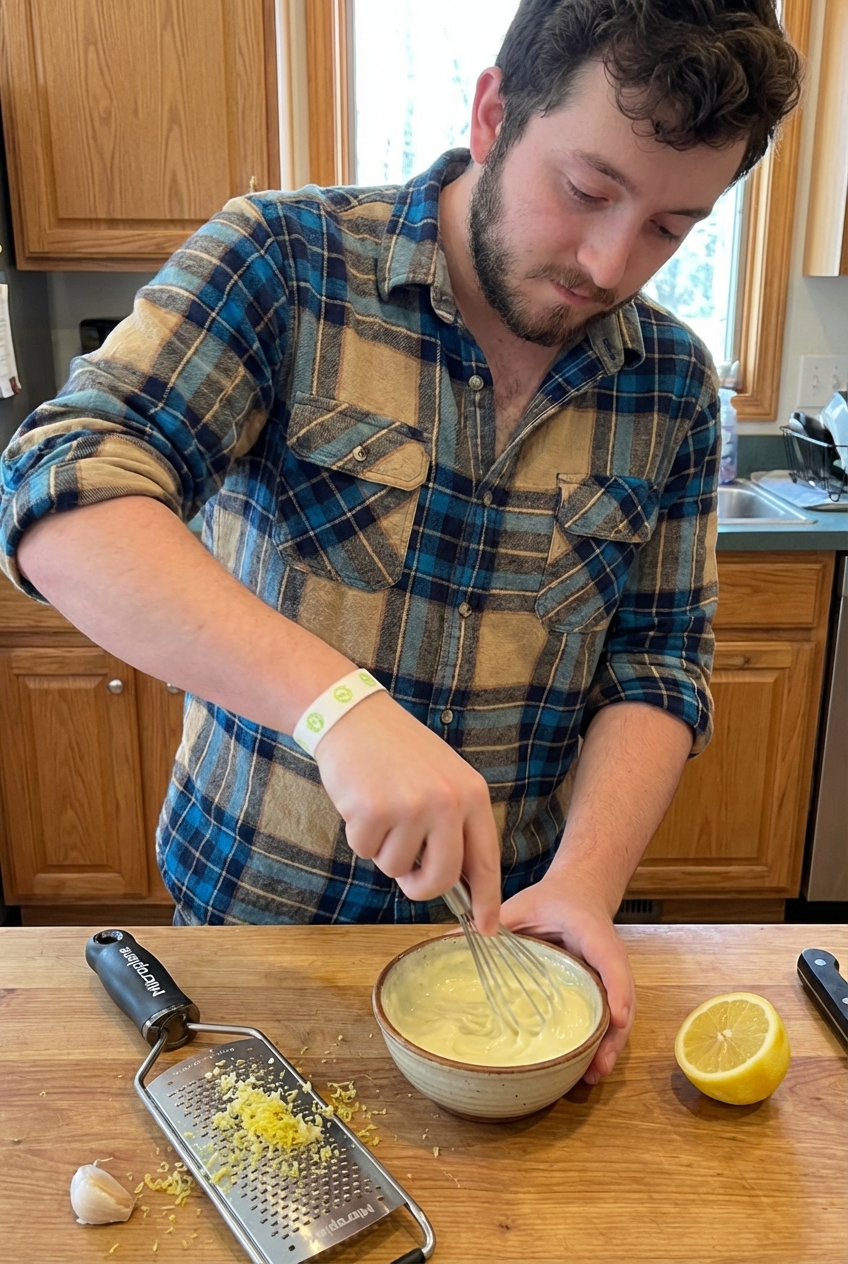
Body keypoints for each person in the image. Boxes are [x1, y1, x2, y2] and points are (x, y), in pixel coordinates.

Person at [0, 0, 801, 1084]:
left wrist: (583, 885)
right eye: (586, 191)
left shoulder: (668, 384)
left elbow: (657, 662)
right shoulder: (283, 261)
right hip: (252, 933)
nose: (611, 262)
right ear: (491, 112)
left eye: (670, 227)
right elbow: (59, 485)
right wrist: (339, 706)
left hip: (504, 937)